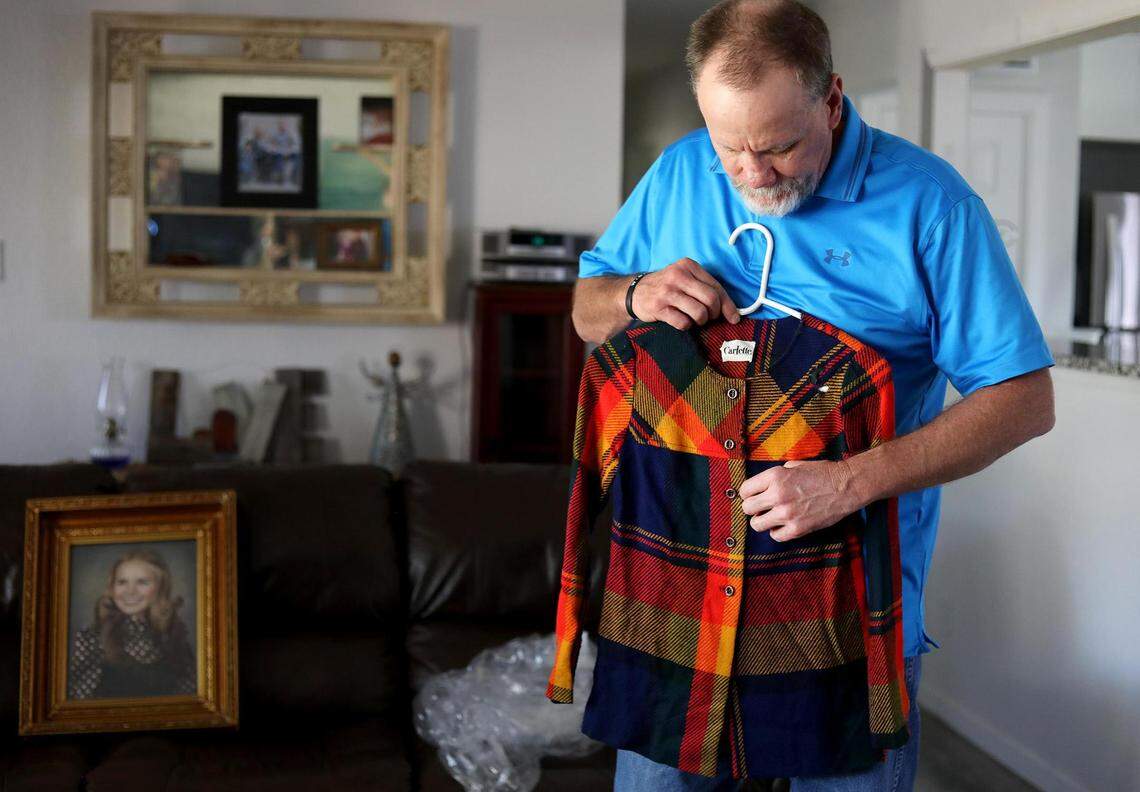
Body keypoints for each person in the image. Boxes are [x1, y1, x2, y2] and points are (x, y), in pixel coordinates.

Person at [576, 1, 1056, 790]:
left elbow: (1024, 398)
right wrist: (634, 294)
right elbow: (586, 310)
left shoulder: (932, 206)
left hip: (849, 611)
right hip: (681, 594)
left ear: (831, 99)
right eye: (731, 150)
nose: (752, 176)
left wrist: (848, 481)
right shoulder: (677, 172)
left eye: (780, 146)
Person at [69, 549, 196, 700]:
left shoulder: (173, 637)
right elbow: (76, 701)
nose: (130, 591)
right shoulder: (91, 639)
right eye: (122, 582)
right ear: (112, 588)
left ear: (160, 588)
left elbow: (190, 697)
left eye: (142, 582)